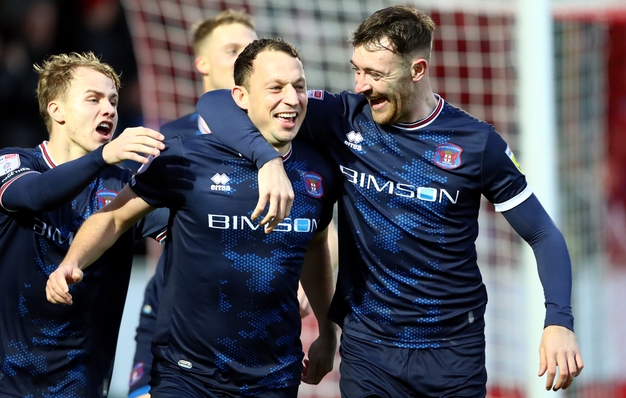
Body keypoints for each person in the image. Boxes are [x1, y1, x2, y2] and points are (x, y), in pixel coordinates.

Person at [195, 5, 584, 397]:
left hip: (452, 352)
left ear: (417, 70)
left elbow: (543, 234)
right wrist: (267, 162)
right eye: (357, 69)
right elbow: (215, 103)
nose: (362, 85)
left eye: (376, 74)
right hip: (369, 349)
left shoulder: (476, 144)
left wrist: (559, 322)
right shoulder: (342, 118)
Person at [46, 38, 338, 398]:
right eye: (275, 88)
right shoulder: (185, 157)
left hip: (275, 376)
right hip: (188, 375)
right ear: (241, 97)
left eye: (299, 87)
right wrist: (71, 262)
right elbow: (115, 217)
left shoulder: (318, 172)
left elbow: (316, 245)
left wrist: (327, 330)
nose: (291, 99)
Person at [126, 10, 329, 397]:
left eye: (249, 48)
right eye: (233, 49)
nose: (243, 57)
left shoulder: (292, 131)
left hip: (262, 356)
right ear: (202, 62)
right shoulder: (173, 138)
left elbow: (320, 227)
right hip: (180, 332)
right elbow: (126, 212)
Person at [0, 51, 166, 397]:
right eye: (93, 99)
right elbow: (35, 196)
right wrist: (103, 157)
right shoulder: (12, 162)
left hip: (73, 388)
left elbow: (192, 237)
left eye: (113, 101)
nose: (108, 109)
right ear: (56, 109)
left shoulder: (124, 188)